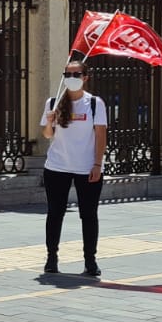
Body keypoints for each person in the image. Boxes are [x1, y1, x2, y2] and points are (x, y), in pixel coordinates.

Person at [40, 58, 108, 276]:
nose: (71, 79)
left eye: (76, 75)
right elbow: (47, 135)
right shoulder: (53, 102)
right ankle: (51, 257)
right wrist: (50, 121)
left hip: (86, 167)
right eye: (67, 75)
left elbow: (100, 135)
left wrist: (97, 163)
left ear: (85, 78)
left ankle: (90, 260)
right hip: (57, 166)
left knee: (88, 215)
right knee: (55, 213)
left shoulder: (95, 103)